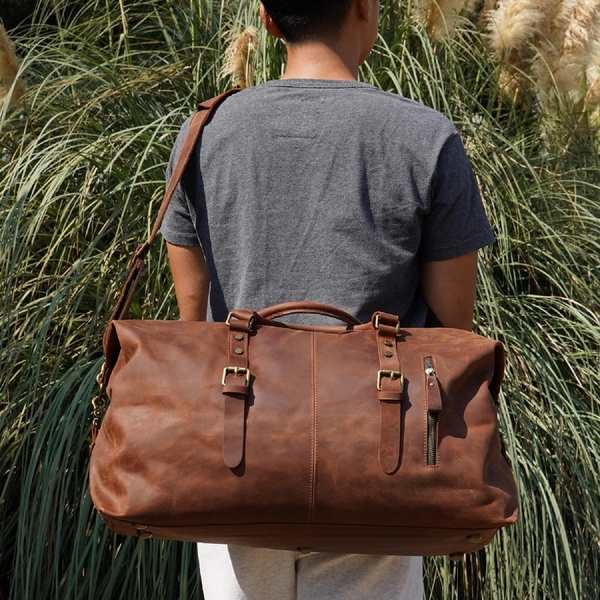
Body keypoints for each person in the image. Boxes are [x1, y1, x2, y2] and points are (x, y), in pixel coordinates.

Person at [160, 0, 495, 598]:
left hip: (237, 457)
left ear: (267, 19)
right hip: (378, 458)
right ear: (365, 8)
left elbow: (193, 330)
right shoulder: (427, 138)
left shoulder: (203, 133)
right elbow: (452, 332)